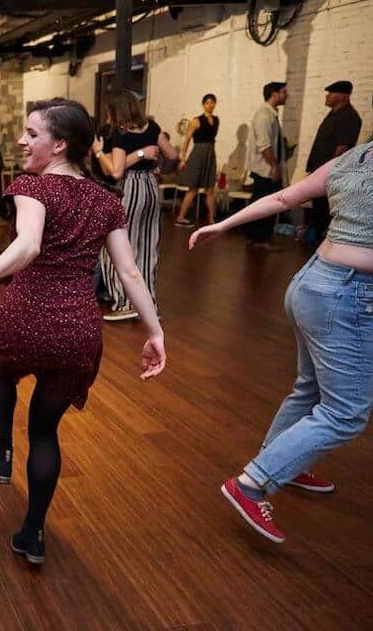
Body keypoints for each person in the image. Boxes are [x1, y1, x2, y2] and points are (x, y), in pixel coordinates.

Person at [0, 99, 166, 564]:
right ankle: (33, 533)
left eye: (32, 134)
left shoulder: (33, 186)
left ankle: (2, 452)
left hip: (26, 317)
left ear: (60, 144)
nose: (22, 141)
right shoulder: (107, 201)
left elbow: (28, 245)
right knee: (45, 433)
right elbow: (129, 274)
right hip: (77, 331)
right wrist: (156, 332)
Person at [189, 136, 373, 544]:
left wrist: (223, 224)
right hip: (347, 294)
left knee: (310, 389)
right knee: (346, 412)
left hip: (312, 283)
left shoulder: (357, 156)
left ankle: (286, 462)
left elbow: (283, 197)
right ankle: (252, 483)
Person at [92, 90, 178, 321]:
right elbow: (172, 154)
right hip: (151, 188)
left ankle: (125, 303)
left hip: (130, 188)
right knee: (148, 247)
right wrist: (152, 158)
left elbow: (116, 171)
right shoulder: (153, 127)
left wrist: (100, 152)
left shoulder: (120, 134)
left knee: (116, 248)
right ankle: (148, 304)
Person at [303, 80, 362, 245]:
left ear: (343, 96)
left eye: (331, 93)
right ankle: (317, 242)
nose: (327, 96)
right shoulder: (333, 114)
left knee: (326, 212)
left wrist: (328, 173)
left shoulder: (348, 116)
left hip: (329, 175)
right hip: (320, 172)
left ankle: (324, 245)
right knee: (319, 211)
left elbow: (342, 148)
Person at [245, 81, 289, 251]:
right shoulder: (264, 115)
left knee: (262, 203)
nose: (287, 95)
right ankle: (260, 239)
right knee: (267, 205)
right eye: (284, 92)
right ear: (274, 94)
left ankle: (255, 237)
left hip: (267, 169)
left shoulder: (270, 114)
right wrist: (274, 166)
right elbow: (264, 145)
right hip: (266, 170)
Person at [174, 94, 220, 227]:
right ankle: (180, 217)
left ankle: (212, 220)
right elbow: (187, 139)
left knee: (210, 189)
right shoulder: (196, 120)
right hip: (198, 154)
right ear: (203, 105)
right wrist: (183, 158)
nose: (210, 105)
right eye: (207, 102)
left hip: (210, 154)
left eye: (212, 102)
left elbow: (212, 139)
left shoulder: (216, 120)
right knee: (193, 188)